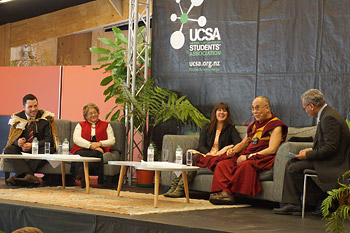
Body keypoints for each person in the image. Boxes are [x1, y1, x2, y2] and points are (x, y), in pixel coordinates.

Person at [273, 89, 350, 216]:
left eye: (305, 108)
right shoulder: (326, 114)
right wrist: (311, 150)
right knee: (292, 162)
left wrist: (308, 155)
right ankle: (294, 204)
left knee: (294, 168)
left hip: (334, 163)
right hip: (327, 158)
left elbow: (331, 148)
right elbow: (327, 143)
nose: (306, 112)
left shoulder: (329, 117)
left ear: (312, 106)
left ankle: (321, 200)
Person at [208, 96, 288, 205]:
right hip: (248, 154)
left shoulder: (276, 125)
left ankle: (227, 193)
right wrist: (233, 150)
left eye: (258, 108)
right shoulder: (254, 125)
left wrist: (249, 156)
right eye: (253, 108)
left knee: (244, 165)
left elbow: (272, 149)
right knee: (223, 164)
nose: (255, 112)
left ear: (267, 108)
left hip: (262, 157)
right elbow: (243, 143)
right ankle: (224, 193)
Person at [163, 102, 241, 198]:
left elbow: (238, 143)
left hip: (218, 157)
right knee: (188, 156)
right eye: (219, 110)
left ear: (227, 114)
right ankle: (173, 186)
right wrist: (208, 153)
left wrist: (225, 149)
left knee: (193, 159)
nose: (222, 112)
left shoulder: (231, 129)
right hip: (206, 154)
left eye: (224, 111)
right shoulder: (207, 127)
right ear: (215, 113)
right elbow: (201, 145)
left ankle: (180, 188)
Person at [3, 94, 58, 186]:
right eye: (30, 107)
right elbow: (13, 139)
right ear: (24, 107)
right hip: (23, 150)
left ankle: (20, 176)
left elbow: (49, 140)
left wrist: (33, 145)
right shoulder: (18, 118)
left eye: (35, 106)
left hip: (38, 149)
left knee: (49, 149)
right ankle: (30, 177)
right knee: (9, 149)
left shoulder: (45, 117)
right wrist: (19, 142)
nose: (33, 109)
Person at [70, 103, 115, 188]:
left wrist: (99, 144)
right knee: (79, 155)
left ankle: (81, 174)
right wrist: (91, 146)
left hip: (98, 149)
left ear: (98, 113)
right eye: (90, 113)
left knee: (96, 154)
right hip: (83, 148)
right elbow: (76, 139)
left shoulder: (106, 125)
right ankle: (83, 174)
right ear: (85, 116)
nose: (94, 115)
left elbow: (112, 140)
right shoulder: (80, 125)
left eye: (95, 112)